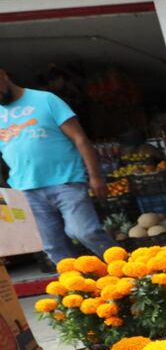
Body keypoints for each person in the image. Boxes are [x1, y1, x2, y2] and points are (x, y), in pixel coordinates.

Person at [0, 68, 117, 269]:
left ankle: (124, 268)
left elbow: (80, 139)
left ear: (2, 75)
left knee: (84, 231)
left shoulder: (46, 100)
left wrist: (95, 176)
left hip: (67, 181)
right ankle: (79, 291)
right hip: (25, 190)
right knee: (52, 246)